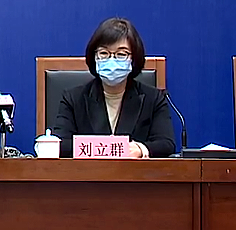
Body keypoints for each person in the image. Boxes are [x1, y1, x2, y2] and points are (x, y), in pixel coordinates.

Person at [53, 17, 175, 158]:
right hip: (88, 172)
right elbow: (60, 145)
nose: (111, 60)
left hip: (135, 171)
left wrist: (141, 149)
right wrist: (106, 148)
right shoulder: (73, 98)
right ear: (94, 57)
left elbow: (166, 144)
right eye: (104, 53)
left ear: (133, 59)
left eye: (121, 54)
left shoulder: (153, 99)